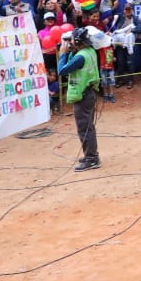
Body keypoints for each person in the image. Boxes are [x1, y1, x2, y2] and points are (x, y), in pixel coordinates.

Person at [58, 27, 101, 172]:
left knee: (84, 127)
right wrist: (71, 51)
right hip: (90, 92)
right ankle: (91, 155)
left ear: (77, 41)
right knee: (88, 126)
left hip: (83, 95)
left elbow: (62, 71)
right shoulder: (89, 51)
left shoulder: (80, 57)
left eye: (71, 40)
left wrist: (62, 54)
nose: (69, 42)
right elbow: (75, 64)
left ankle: (91, 158)